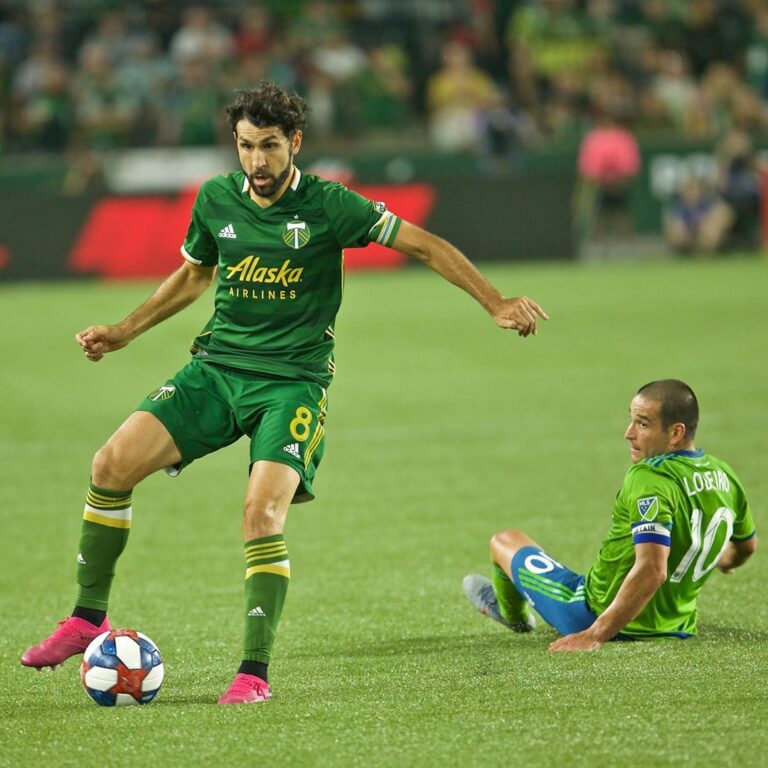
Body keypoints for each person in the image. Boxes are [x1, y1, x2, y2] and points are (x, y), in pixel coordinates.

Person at [20, 80, 549, 702]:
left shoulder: (330, 206)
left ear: (294, 142)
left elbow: (425, 245)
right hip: (216, 372)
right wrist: (123, 331)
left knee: (260, 514)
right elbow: (195, 272)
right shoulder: (217, 198)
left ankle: (253, 672)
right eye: (245, 146)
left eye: (269, 146)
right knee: (109, 465)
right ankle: (87, 618)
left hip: (291, 386)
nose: (257, 161)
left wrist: (495, 302)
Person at [463, 379, 756, 651]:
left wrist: (595, 633)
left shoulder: (648, 477)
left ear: (676, 432)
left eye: (642, 424)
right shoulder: (725, 475)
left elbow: (653, 570)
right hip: (677, 626)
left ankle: (512, 615)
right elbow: (745, 547)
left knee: (504, 540)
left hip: (591, 612)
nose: (629, 433)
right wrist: (714, 555)